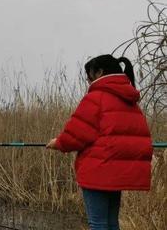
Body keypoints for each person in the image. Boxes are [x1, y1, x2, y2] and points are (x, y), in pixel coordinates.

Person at [46, 54, 153, 230]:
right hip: (117, 174)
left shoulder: (96, 97)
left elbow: (77, 135)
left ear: (99, 72)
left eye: (89, 76)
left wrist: (58, 143)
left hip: (97, 172)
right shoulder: (130, 101)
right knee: (111, 223)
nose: (88, 81)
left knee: (97, 224)